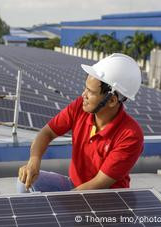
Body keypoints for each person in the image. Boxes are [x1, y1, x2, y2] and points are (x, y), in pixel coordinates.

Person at [18, 53, 143, 192]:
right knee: (24, 182)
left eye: (90, 91)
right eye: (85, 88)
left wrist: (66, 202)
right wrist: (34, 161)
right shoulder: (80, 107)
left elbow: (100, 183)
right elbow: (47, 133)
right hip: (74, 185)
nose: (83, 95)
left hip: (105, 197)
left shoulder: (130, 135)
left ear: (112, 100)